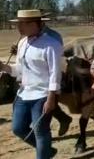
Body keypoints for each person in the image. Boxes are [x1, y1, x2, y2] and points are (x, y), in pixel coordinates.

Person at [0, 9, 62, 158]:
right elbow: (19, 70)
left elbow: (55, 73)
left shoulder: (51, 44)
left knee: (41, 131)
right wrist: (4, 67)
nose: (19, 27)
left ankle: (43, 154)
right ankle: (48, 151)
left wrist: (51, 98)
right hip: (24, 93)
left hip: (42, 94)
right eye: (18, 24)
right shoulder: (22, 42)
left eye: (23, 24)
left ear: (36, 24)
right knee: (18, 128)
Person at [9, 13, 72, 136]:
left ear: (40, 22)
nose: (20, 26)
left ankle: (44, 140)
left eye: (25, 22)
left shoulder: (53, 37)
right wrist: (18, 52)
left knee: (45, 105)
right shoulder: (24, 39)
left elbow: (55, 60)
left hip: (48, 77)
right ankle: (61, 120)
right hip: (30, 79)